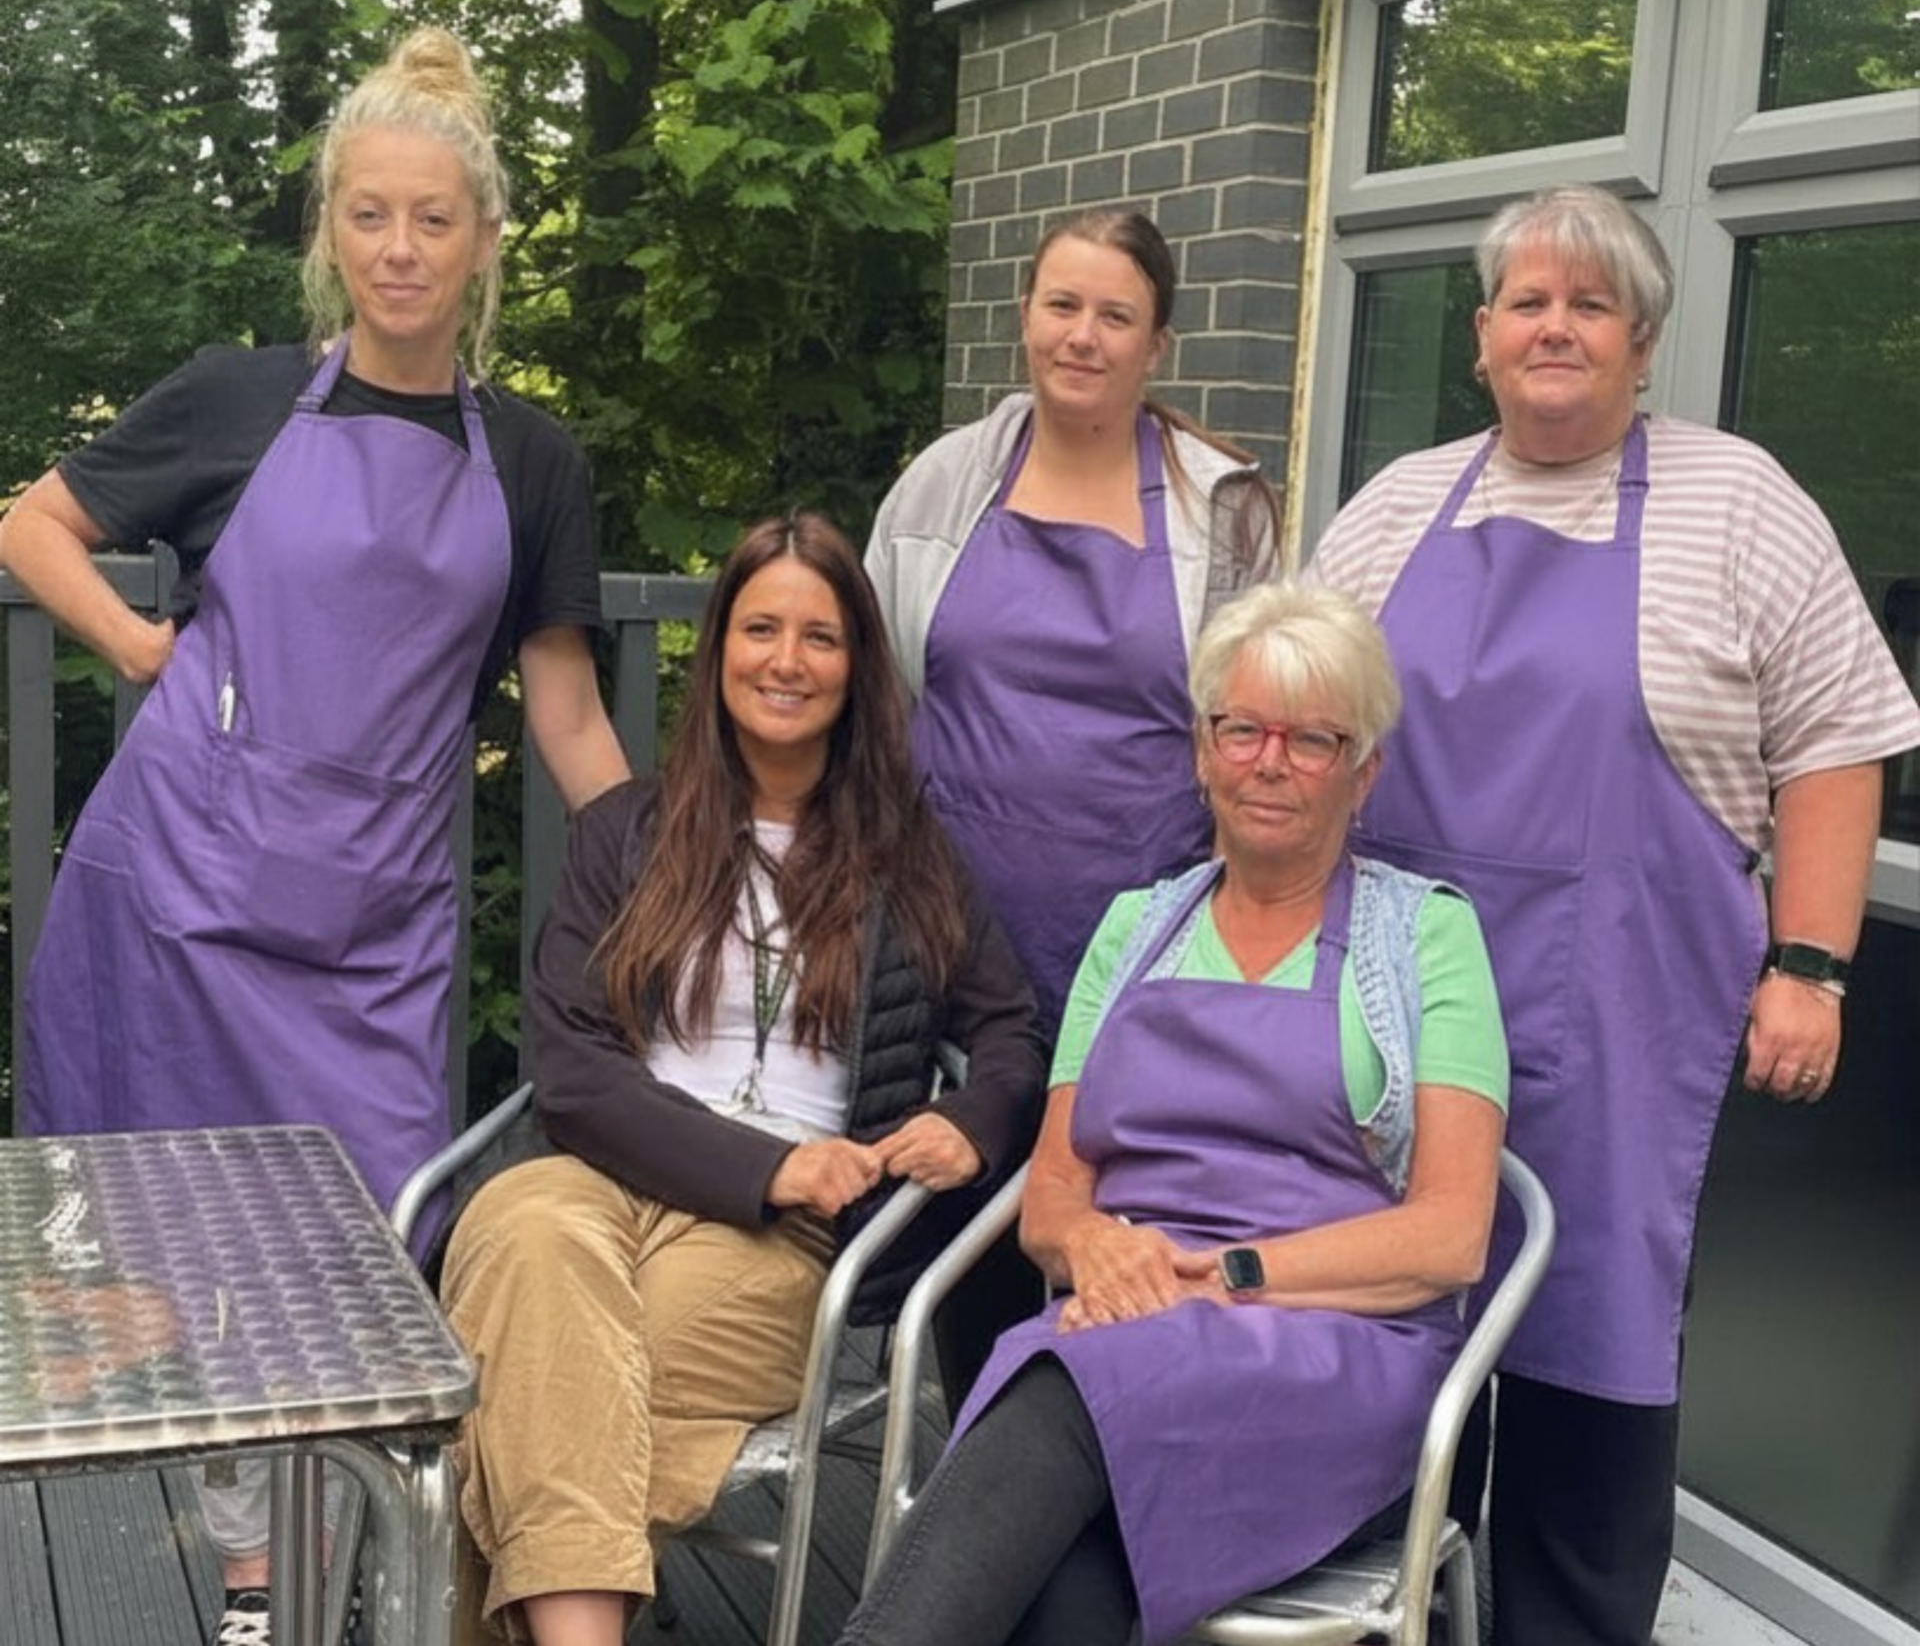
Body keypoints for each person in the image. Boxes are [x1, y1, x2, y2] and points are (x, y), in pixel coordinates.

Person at [0, 27, 630, 1644]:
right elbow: (35, 524)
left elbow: (567, 714)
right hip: (182, 901)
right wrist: (139, 649)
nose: (399, 248)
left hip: (377, 938)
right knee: (186, 1251)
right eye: (369, 215)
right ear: (330, 230)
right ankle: (258, 1584)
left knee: (378, 1256)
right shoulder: (236, 398)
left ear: (483, 240)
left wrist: (672, 870)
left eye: (433, 219)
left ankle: (354, 1561)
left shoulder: (534, 461)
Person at [1308, 183, 1920, 1646]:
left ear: (1643, 342)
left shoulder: (1738, 500)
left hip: (1622, 1016)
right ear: (1481, 336)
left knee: (1592, 1356)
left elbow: (1839, 739)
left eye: (1591, 305)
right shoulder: (1397, 506)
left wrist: (1812, 963)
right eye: (1529, 301)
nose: (1556, 327)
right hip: (1394, 1010)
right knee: (1376, 1337)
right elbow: (1300, 714)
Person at [837, 580, 1510, 1646]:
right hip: (1129, 1322)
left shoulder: (1426, 936)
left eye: (1313, 738)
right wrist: (1097, 1247)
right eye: (1242, 728)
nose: (1270, 761)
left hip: (1332, 1353)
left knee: (1057, 1387)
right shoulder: (1134, 931)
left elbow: (1451, 1235)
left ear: (1365, 772)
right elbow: (1052, 1195)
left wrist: (1227, 1274)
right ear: (1203, 751)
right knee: (1068, 1587)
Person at [438, 514, 1045, 1646]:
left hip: (778, 1239)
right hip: (593, 1173)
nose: (786, 659)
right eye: (761, 628)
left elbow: (1007, 1024)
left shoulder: (908, 855)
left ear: (856, 666)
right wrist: (769, 1162)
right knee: (526, 1244)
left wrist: (971, 1117)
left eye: (820, 636)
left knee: (534, 1379)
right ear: (719, 647)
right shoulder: (627, 831)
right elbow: (570, 1067)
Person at [866, 205, 1285, 1039]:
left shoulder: (1226, 514)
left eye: (1115, 317)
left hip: (1148, 957)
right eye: (1062, 305)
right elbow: (867, 700)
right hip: (936, 939)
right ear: (1026, 314)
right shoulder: (941, 483)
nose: (1082, 337)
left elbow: (1258, 738)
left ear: (1156, 346)